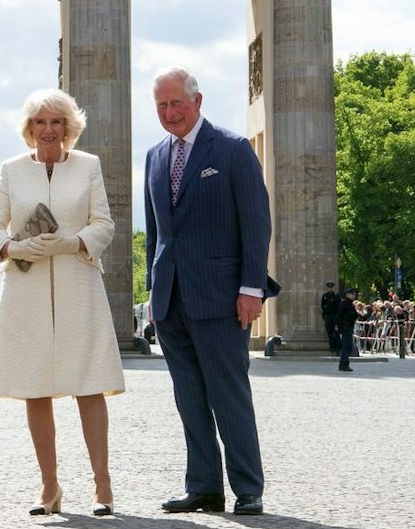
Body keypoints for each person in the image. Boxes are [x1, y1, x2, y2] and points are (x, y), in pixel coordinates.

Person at [0, 88, 123, 518]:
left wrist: (73, 242)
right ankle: (49, 486)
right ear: (29, 129)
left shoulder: (88, 166)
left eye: (56, 122)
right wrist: (11, 248)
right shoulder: (11, 170)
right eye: (40, 122)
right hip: (26, 290)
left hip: (79, 284)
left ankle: (103, 485)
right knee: (34, 388)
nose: (48, 129)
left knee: (89, 384)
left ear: (68, 127)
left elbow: (105, 224)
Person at [144, 67, 276, 518]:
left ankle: (247, 488)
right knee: (189, 399)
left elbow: (257, 224)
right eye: (161, 105)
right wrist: (152, 296)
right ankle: (202, 487)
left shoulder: (234, 149)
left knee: (228, 393)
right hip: (171, 300)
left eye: (176, 102)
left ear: (197, 102)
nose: (169, 112)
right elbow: (156, 235)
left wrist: (251, 288)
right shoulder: (154, 156)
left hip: (223, 297)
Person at [334, 289, 359, 372]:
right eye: (352, 294)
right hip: (346, 327)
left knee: (347, 346)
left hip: (348, 326)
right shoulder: (344, 304)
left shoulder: (349, 303)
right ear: (347, 294)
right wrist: (338, 326)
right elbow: (339, 315)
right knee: (346, 346)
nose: (354, 295)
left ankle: (344, 364)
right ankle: (344, 364)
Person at [320, 283, 342, 354]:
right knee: (329, 333)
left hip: (335, 316)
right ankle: (332, 348)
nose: (330, 289)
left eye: (331, 287)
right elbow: (323, 306)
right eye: (329, 287)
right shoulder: (325, 296)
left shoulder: (336, 296)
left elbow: (339, 306)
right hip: (328, 316)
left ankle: (337, 348)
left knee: (336, 333)